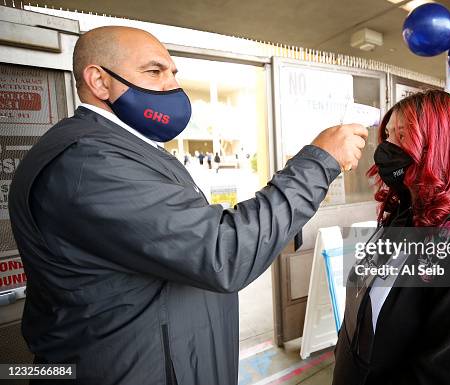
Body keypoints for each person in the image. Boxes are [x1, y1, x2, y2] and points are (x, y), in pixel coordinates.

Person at [8, 26, 367, 385]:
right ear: (100, 82)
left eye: (173, 73)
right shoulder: (88, 164)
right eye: (154, 71)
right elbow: (223, 251)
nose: (171, 85)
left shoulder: (127, 151)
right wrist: (320, 161)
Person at [332, 90, 450, 385]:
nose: (387, 149)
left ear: (441, 145)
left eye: (403, 136)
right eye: (388, 135)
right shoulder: (404, 213)